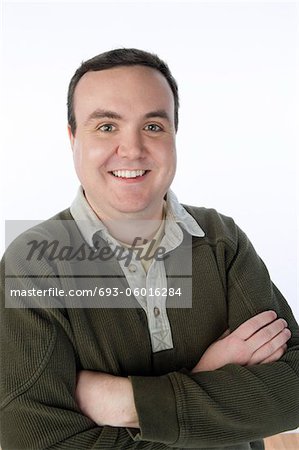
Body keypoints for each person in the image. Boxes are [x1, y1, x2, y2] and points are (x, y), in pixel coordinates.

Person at [0, 48, 298, 450]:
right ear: (73, 138)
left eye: (154, 126)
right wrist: (207, 378)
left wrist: (124, 402)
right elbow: (33, 441)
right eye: (106, 126)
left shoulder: (219, 239)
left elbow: (292, 388)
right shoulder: (33, 263)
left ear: (175, 132)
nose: (133, 149)